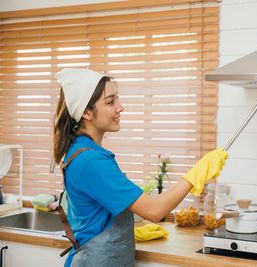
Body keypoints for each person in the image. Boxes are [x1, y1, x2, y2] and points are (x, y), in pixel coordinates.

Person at [52, 68, 228, 267]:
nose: (120, 107)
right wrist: (197, 173)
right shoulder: (91, 161)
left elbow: (99, 212)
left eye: (117, 99)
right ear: (86, 112)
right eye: (110, 102)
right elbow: (154, 211)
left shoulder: (83, 151)